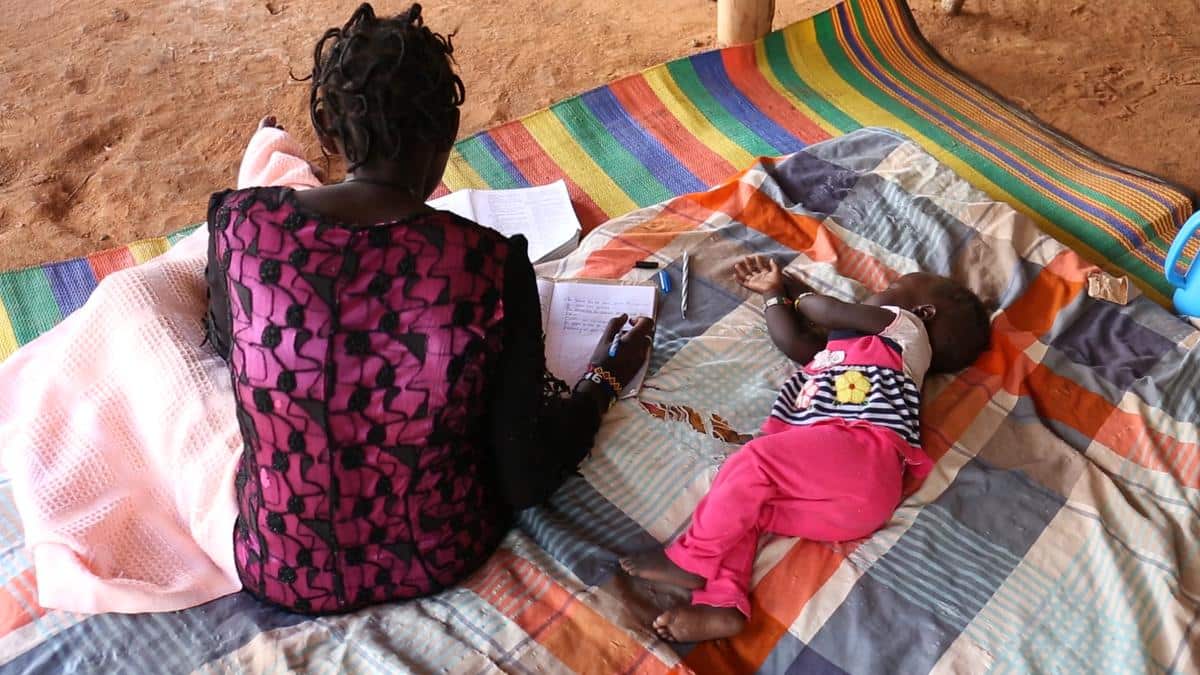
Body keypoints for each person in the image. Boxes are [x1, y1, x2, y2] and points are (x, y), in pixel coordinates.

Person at [203, 2, 653, 615]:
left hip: (281, 568)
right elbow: (524, 477)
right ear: (443, 142)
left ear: (328, 135)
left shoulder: (242, 227)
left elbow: (231, 342)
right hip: (436, 556)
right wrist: (602, 380)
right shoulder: (488, 265)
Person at [620, 255, 990, 642]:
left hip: (860, 451)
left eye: (889, 290)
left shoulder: (906, 330)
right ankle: (723, 603)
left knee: (754, 461)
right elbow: (794, 341)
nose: (876, 293)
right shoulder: (842, 351)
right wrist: (773, 295)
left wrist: (798, 295)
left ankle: (694, 559)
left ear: (921, 311)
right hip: (852, 504)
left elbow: (826, 310)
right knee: (746, 507)